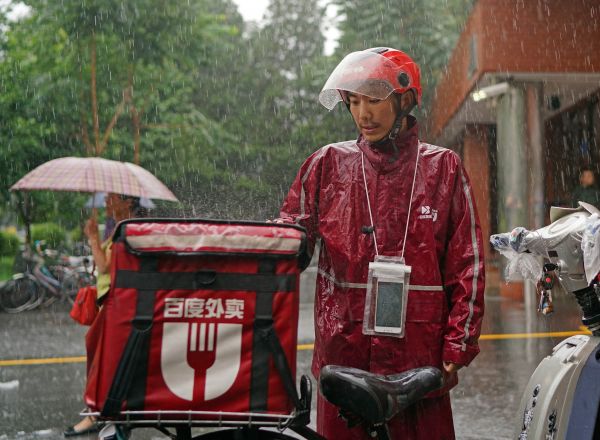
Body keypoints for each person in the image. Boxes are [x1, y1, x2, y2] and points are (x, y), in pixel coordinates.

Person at [277, 47, 485, 439]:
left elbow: (467, 264)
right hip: (344, 359)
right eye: (354, 102)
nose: (362, 114)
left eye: (373, 99)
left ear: (404, 99)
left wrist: (458, 346)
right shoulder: (327, 165)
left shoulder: (444, 169)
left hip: (419, 364)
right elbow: (290, 239)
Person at [64, 193, 142, 437]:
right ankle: (108, 410)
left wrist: (92, 239)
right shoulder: (121, 227)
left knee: (99, 358)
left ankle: (95, 412)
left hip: (115, 303)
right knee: (107, 358)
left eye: (112, 198)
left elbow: (106, 266)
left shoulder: (126, 228)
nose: (107, 202)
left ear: (128, 202)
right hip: (115, 301)